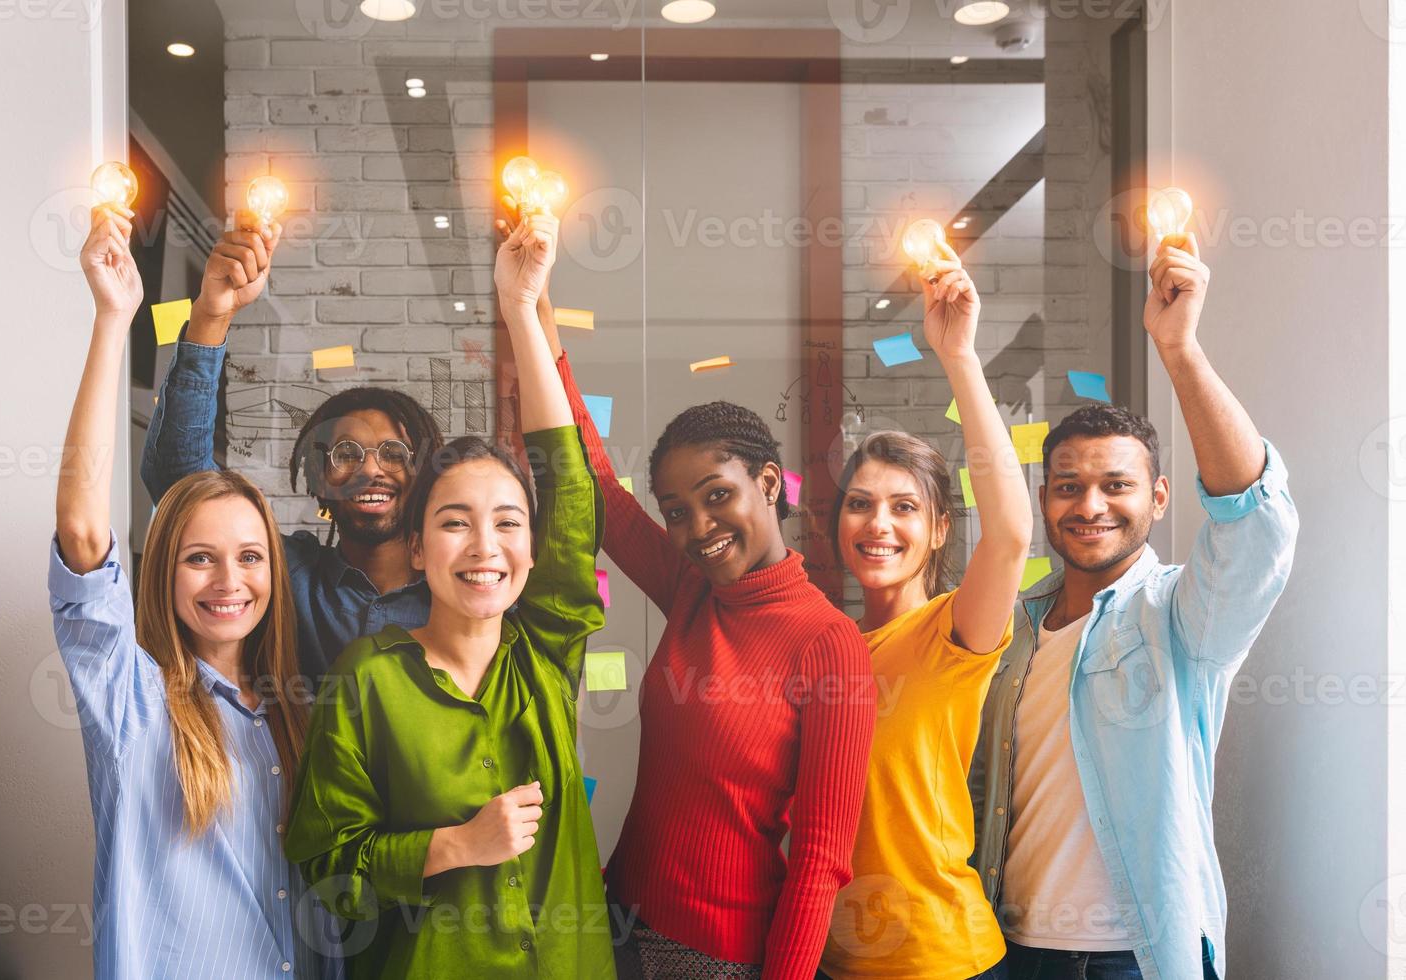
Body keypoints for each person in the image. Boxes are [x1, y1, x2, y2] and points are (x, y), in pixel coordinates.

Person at [508, 223, 876, 979]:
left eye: (717, 497)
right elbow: (597, 489)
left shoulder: (825, 641)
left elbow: (819, 859)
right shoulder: (692, 590)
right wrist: (532, 302)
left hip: (715, 956)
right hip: (620, 916)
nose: (697, 527)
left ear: (767, 484)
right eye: (676, 510)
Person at [284, 211, 615, 978]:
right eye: (454, 523)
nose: (483, 547)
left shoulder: (546, 655)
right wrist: (454, 846)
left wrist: (522, 309)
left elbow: (569, 489)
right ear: (417, 546)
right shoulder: (368, 678)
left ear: (533, 552)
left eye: (506, 523)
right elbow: (326, 876)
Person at [970, 235, 1298, 980]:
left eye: (1115, 485)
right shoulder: (1012, 627)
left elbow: (1254, 521)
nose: (1089, 505)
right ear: (1044, 500)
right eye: (1066, 486)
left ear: (1156, 498)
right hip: (1008, 953)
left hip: (1137, 958)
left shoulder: (1182, 617)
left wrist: (1178, 351)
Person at [51, 207, 340, 978]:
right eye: (199, 559)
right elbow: (82, 530)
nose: (229, 581)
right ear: (161, 571)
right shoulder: (134, 701)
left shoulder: (292, 713)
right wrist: (114, 320)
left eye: (250, 557)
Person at [819, 246, 1031, 980]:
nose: (878, 524)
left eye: (904, 507)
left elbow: (1008, 534)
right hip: (834, 960)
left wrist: (959, 356)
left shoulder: (949, 632)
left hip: (939, 959)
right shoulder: (827, 645)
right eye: (859, 504)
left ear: (939, 529)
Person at [140, 214, 442, 681]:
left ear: (423, 475)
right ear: (318, 479)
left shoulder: (460, 591)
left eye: (394, 454)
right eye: (345, 454)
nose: (371, 470)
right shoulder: (289, 576)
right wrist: (211, 315)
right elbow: (182, 485)